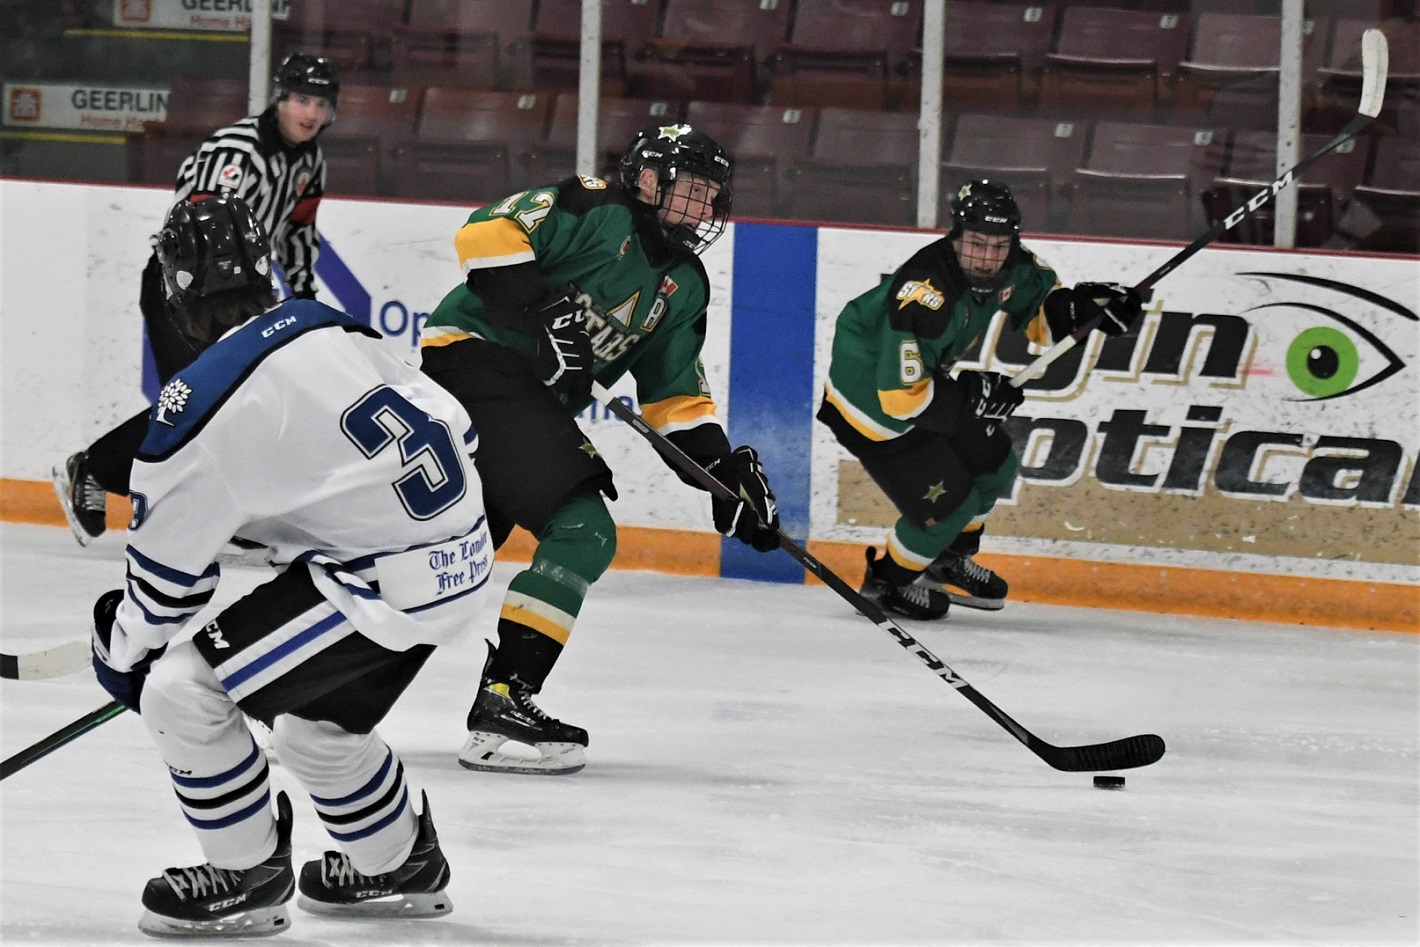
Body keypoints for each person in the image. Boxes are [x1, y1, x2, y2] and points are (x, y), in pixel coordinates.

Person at [89, 196, 494, 936]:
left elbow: (163, 593)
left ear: (175, 291)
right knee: (315, 727)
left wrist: (118, 648)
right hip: (461, 557)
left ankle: (246, 872)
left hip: (378, 583)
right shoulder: (326, 323)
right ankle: (397, 862)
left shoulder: (198, 405)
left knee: (182, 689)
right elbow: (451, 428)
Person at [419, 123, 781, 775]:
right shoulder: (594, 207)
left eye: (710, 196)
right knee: (583, 530)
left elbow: (675, 399)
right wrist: (546, 312)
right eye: (692, 191)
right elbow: (485, 232)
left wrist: (723, 474)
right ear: (647, 180)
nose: (703, 209)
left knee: (443, 561)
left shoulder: (684, 285)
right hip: (473, 364)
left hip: (527, 405)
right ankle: (506, 697)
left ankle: (305, 691)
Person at [817, 179, 1143, 620]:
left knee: (995, 466)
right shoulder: (926, 294)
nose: (988, 258)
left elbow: (1041, 315)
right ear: (956, 237)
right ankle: (885, 583)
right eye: (976, 244)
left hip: (925, 390)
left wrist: (1081, 311)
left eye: (999, 245)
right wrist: (971, 394)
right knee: (953, 505)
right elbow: (898, 399)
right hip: (871, 405)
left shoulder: (1014, 267)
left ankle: (944, 562)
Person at [54, 53, 339, 546]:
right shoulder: (237, 152)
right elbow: (194, 231)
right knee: (205, 401)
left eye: (320, 103)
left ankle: (230, 511)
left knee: (240, 402)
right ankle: (96, 468)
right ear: (280, 98)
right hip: (183, 291)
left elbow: (297, 233)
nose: (309, 113)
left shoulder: (310, 160)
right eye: (300, 100)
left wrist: (303, 303)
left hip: (244, 296)